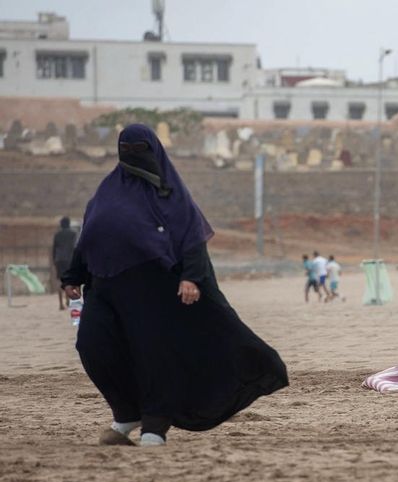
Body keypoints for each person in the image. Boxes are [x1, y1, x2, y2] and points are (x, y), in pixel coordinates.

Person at [61, 124, 288, 447]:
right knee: (93, 346)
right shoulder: (106, 191)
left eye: (140, 148)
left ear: (154, 151)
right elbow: (90, 237)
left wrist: (191, 277)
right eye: (127, 147)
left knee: (154, 357)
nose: (133, 154)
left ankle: (155, 425)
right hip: (104, 287)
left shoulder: (171, 194)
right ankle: (127, 413)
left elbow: (192, 238)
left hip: (154, 289)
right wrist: (73, 276)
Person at [52, 216, 77, 310]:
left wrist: (54, 260)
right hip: (69, 259)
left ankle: (61, 304)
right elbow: (75, 247)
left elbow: (54, 249)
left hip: (59, 259)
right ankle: (68, 300)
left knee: (60, 280)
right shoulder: (73, 234)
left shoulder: (57, 234)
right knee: (69, 280)